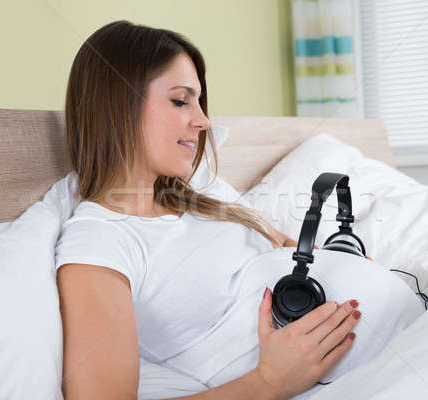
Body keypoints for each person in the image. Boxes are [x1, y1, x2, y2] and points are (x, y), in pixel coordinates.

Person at [55, 20, 386, 400]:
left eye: (199, 102)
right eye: (181, 101)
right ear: (118, 106)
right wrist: (268, 383)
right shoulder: (101, 240)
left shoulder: (204, 198)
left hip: (411, 330)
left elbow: (292, 253)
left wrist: (350, 268)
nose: (203, 120)